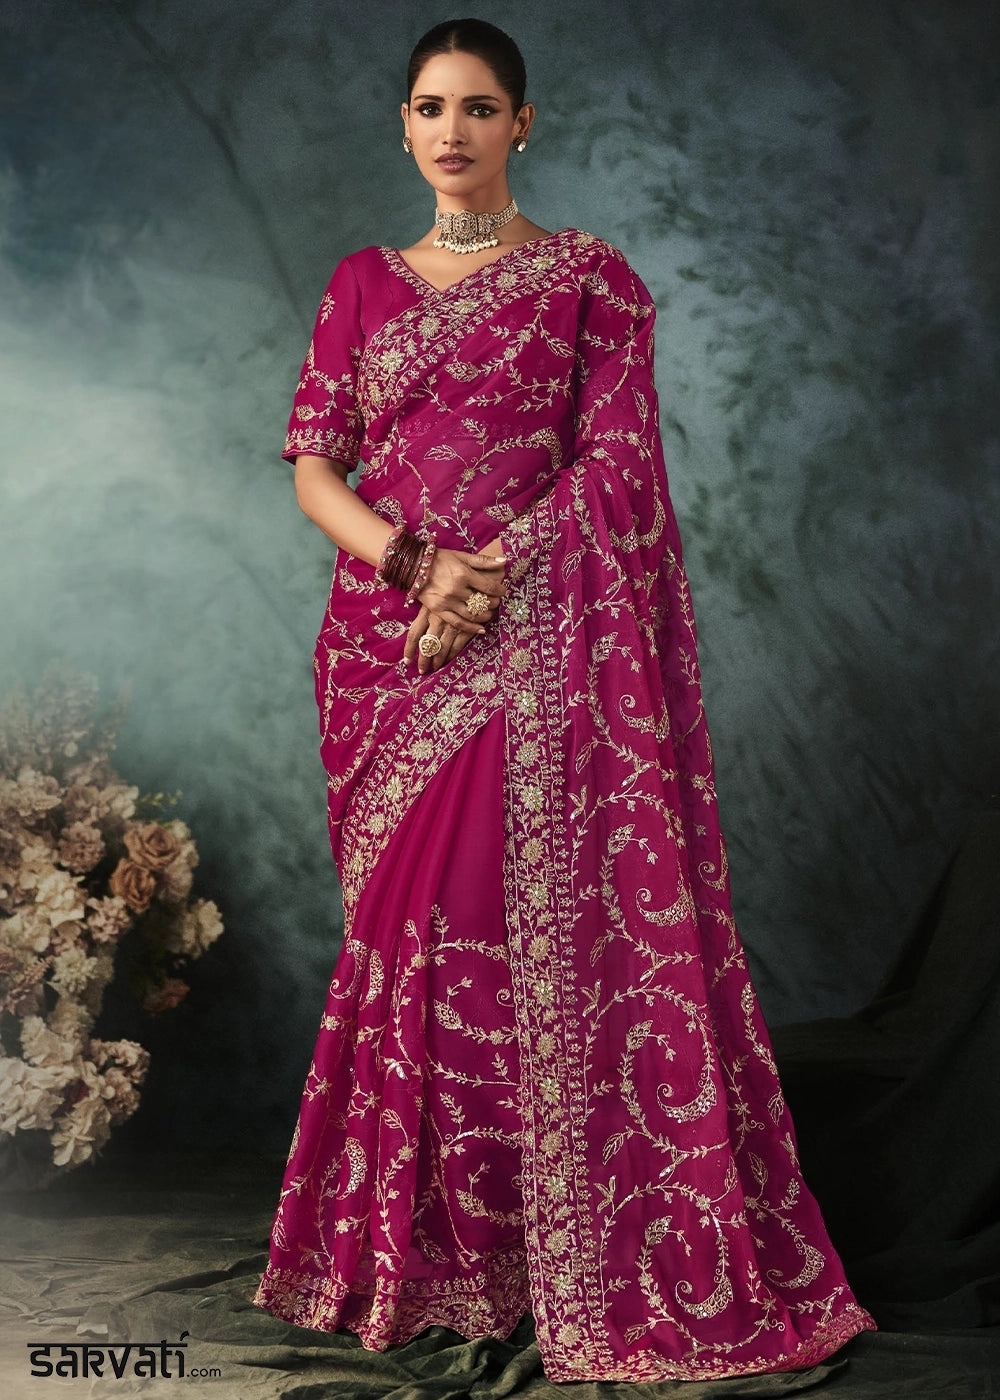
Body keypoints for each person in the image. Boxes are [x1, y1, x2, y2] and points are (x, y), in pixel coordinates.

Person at [253, 17, 876, 1383]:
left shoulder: (589, 280)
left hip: (535, 644)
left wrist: (492, 580)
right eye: (432, 107)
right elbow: (314, 468)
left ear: (522, 125)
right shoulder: (360, 284)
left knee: (502, 929)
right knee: (412, 946)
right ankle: (429, 1259)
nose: (454, 131)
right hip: (388, 649)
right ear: (403, 125)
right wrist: (420, 570)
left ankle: (555, 1253)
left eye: (481, 107)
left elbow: (617, 471)